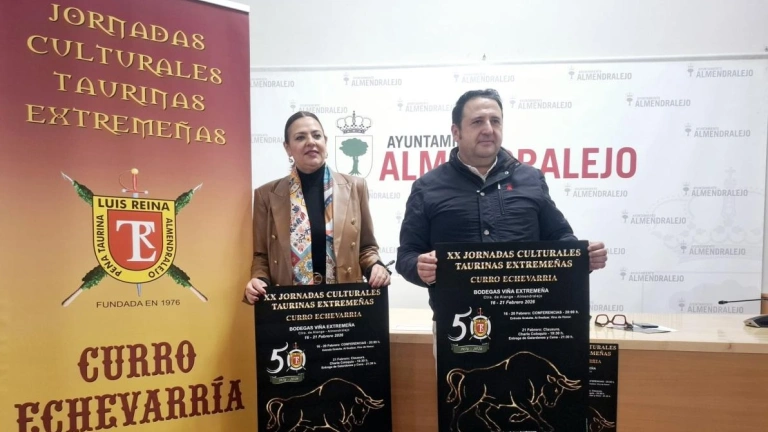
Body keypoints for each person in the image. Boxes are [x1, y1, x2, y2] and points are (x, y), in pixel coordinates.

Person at [395, 89, 608, 355]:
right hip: (460, 327)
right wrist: (419, 268)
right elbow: (406, 255)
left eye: (495, 121)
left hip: (529, 324)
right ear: (456, 132)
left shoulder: (531, 179)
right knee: (464, 383)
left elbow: (561, 238)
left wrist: (581, 257)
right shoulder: (427, 187)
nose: (488, 129)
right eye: (477, 122)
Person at [243, 111, 390, 304]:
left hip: (345, 303)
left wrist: (375, 266)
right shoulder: (266, 195)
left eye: (316, 135)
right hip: (290, 306)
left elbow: (366, 247)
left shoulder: (356, 187)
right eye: (300, 137)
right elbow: (261, 256)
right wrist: (259, 279)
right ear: (287, 148)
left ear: (325, 141)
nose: (311, 142)